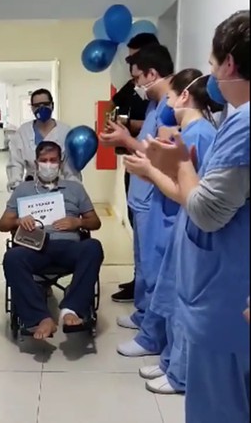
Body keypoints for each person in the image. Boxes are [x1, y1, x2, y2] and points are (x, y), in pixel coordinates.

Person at [144, 10, 250, 422]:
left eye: (212, 65)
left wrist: (179, 165)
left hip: (227, 298)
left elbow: (206, 210)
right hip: (227, 291)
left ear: (229, 64)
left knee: (220, 407)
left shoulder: (242, 124)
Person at [120, 70, 220, 397]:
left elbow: (191, 191)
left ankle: (179, 371)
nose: (167, 103)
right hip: (181, 222)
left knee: (183, 301)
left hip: (190, 222)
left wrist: (150, 171)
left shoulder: (200, 134)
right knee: (170, 292)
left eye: (170, 96)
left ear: (184, 96)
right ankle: (169, 360)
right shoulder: (188, 132)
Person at [99, 44, 174, 330]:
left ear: (151, 74)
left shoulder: (170, 108)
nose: (135, 85)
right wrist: (122, 136)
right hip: (141, 198)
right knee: (143, 263)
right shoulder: (155, 105)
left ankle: (152, 331)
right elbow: (144, 145)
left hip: (155, 201)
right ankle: (143, 316)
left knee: (154, 267)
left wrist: (125, 140)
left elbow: (161, 156)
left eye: (136, 78)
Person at [0, 141, 104, 340]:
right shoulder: (23, 189)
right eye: (44, 160)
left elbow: (95, 222)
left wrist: (78, 221)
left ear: (60, 162)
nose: (48, 165)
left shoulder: (75, 189)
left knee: (93, 247)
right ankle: (40, 318)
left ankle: (71, 309)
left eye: (53, 160)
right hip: (34, 247)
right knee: (12, 258)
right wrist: (19, 220)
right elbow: (3, 224)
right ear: (36, 163)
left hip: (68, 246)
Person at [109, 32, 160, 304]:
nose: (134, 78)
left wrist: (126, 134)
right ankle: (141, 297)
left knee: (152, 252)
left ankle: (148, 309)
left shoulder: (165, 107)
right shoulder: (149, 102)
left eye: (136, 71)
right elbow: (116, 105)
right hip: (138, 181)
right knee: (142, 247)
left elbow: (156, 150)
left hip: (153, 188)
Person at [6, 89, 81, 191]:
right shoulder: (23, 132)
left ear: (52, 105)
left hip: (60, 187)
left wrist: (74, 189)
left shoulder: (65, 132)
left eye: (45, 104)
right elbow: (15, 162)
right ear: (32, 108)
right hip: (31, 186)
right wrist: (16, 185)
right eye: (37, 106)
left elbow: (71, 167)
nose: (41, 109)